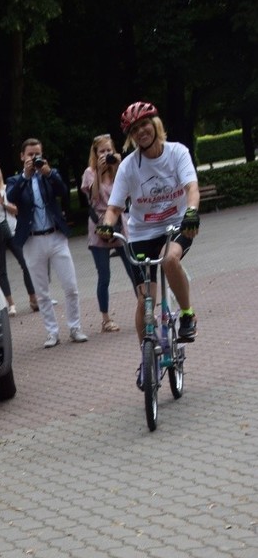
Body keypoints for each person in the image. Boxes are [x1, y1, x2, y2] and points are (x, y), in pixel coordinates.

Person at [96, 101, 199, 380]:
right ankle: (147, 359)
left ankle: (187, 314)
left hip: (175, 225)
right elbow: (114, 207)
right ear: (130, 136)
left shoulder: (177, 153)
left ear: (156, 125)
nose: (141, 131)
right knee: (145, 299)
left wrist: (191, 213)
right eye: (134, 129)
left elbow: (191, 187)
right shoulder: (129, 166)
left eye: (145, 124)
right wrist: (106, 226)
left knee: (169, 260)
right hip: (141, 233)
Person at [6, 138, 88, 347]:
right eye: (30, 155)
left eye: (38, 154)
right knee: (42, 292)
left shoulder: (49, 175)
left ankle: (75, 327)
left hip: (55, 236)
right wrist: (26, 175)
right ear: (22, 157)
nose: (34, 158)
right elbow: (11, 197)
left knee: (71, 286)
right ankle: (52, 332)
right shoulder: (16, 180)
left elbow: (62, 190)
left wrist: (48, 173)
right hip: (32, 240)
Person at [80, 134, 137, 333]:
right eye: (101, 151)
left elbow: (129, 195)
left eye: (108, 150)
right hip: (99, 227)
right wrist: (98, 173)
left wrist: (120, 166)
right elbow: (94, 198)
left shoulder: (119, 171)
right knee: (104, 276)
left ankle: (145, 312)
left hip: (120, 223)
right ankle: (105, 319)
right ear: (95, 154)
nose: (106, 154)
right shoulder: (89, 173)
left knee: (134, 269)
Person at [0, 163, 37, 315]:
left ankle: (33, 299)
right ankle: (11, 304)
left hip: (13, 230)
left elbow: (16, 210)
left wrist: (3, 203)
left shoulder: (7, 190)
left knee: (25, 264)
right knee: (1, 269)